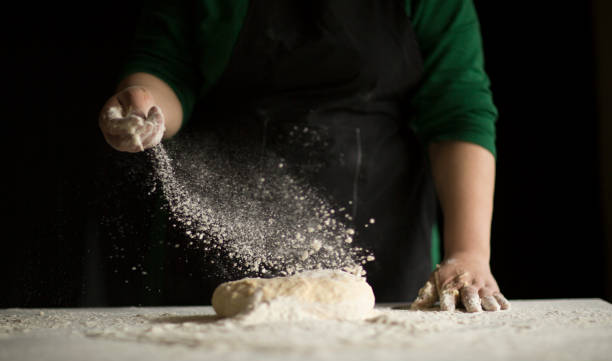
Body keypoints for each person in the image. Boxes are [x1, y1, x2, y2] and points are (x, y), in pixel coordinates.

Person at [99, 0, 510, 312]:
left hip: (384, 251)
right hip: (215, 255)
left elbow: (458, 112)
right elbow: (165, 66)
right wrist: (144, 109)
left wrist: (469, 252)